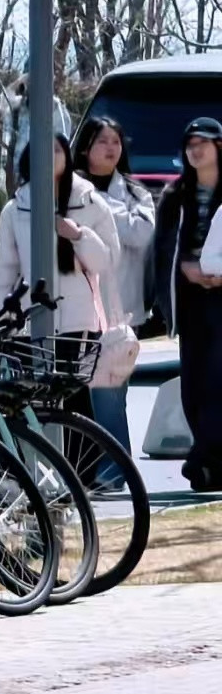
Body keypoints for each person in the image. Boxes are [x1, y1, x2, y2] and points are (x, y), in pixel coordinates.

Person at [0, 132, 121, 421]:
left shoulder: (90, 202)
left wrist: (78, 235)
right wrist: (0, 318)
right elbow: (5, 270)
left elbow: (108, 261)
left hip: (79, 322)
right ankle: (35, 465)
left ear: (67, 155)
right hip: (29, 321)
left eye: (56, 150)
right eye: (42, 150)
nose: (49, 157)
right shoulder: (15, 209)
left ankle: (80, 467)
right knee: (30, 406)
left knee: (76, 406)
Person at [72, 116, 155, 458]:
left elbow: (143, 235)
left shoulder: (136, 194)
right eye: (102, 141)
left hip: (119, 309)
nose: (110, 148)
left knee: (110, 389)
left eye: (115, 142)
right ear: (86, 147)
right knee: (75, 394)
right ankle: (87, 469)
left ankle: (114, 471)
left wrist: (102, 210)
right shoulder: (68, 192)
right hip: (74, 308)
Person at [148, 117, 222, 490]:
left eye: (203, 143)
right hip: (191, 299)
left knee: (217, 377)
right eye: (190, 144)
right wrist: (186, 272)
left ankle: (206, 459)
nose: (196, 150)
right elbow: (163, 253)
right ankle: (207, 458)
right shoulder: (175, 197)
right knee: (194, 381)